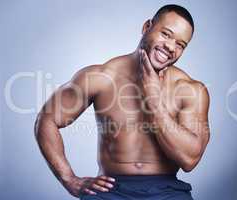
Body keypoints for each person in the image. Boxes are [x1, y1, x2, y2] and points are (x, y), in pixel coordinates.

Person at [34, 4, 210, 200]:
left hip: (168, 192)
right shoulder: (100, 77)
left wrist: (153, 98)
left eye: (180, 44)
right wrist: (69, 179)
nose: (171, 47)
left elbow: (189, 160)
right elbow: (47, 119)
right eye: (166, 34)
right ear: (147, 27)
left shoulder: (190, 90)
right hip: (109, 190)